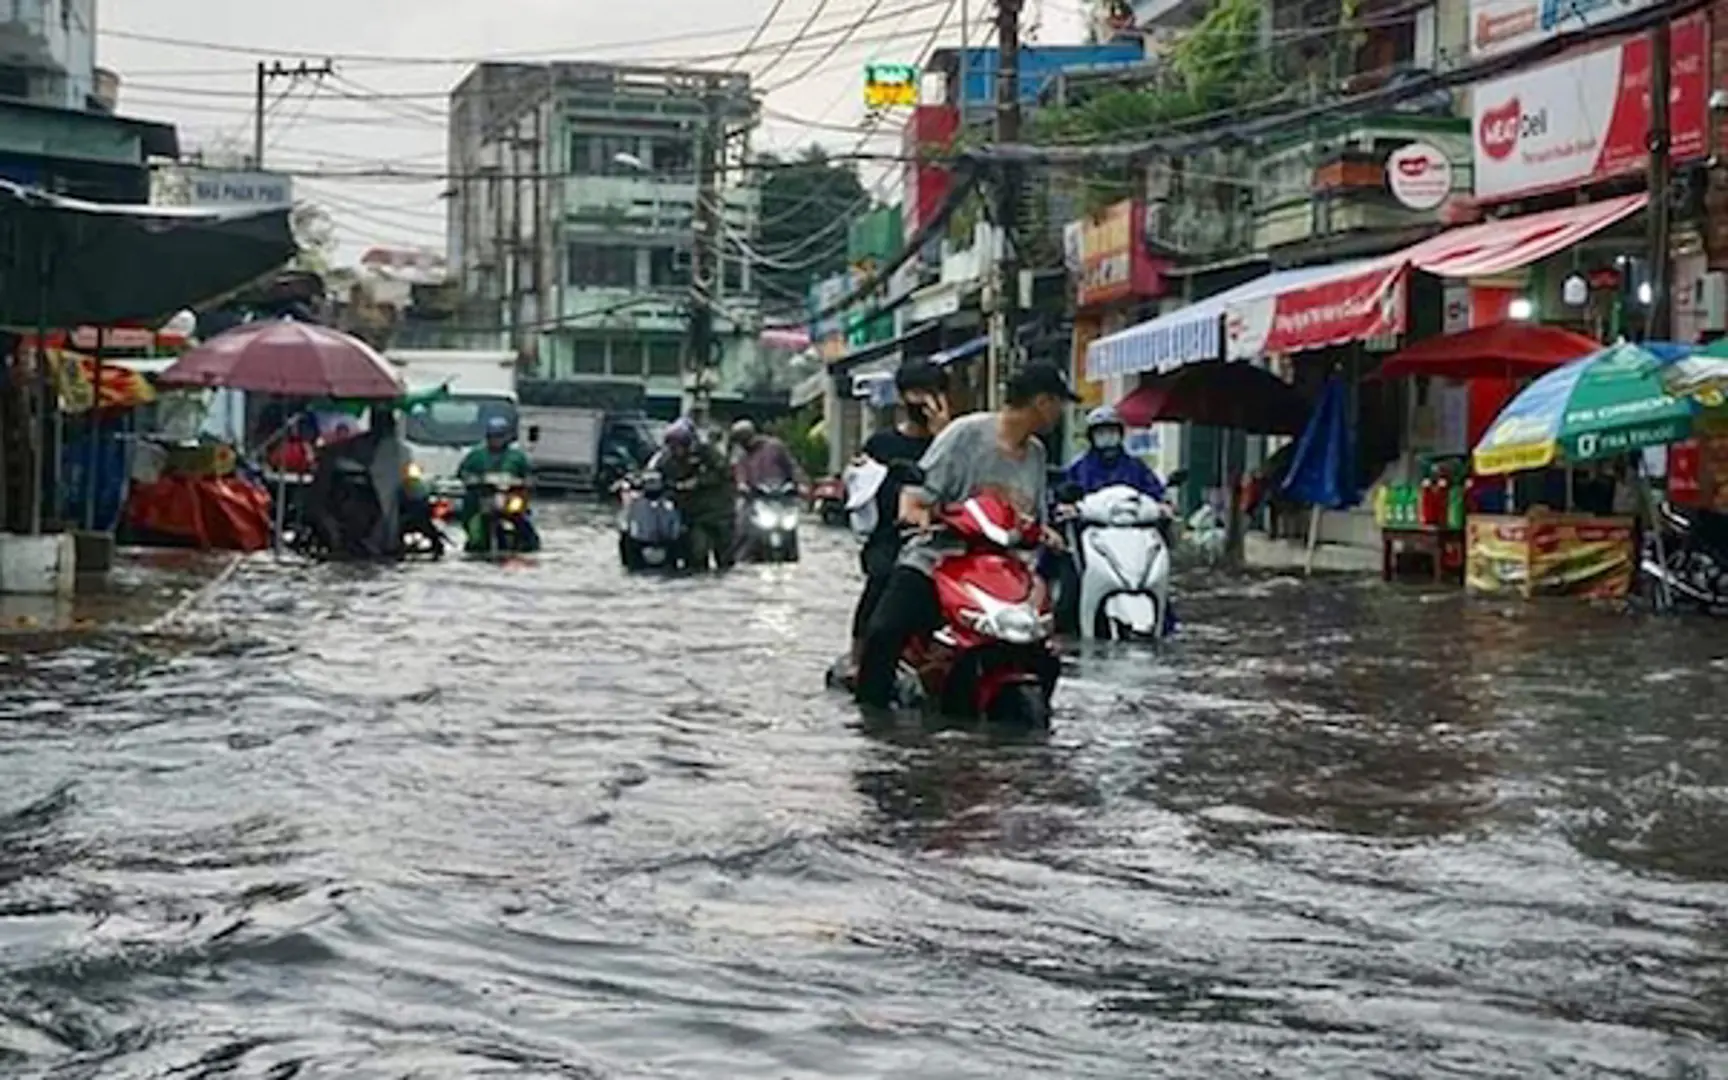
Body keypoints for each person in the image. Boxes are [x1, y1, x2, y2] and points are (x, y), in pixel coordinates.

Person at [854, 361, 1077, 709]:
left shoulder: (1036, 453)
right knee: (885, 630)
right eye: (1059, 404)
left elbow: (1033, 518)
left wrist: (1046, 533)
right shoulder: (964, 434)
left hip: (1002, 569)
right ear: (1042, 402)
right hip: (938, 557)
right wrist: (916, 515)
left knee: (1043, 646)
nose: (1060, 413)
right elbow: (916, 495)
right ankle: (870, 718)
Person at [845, 360, 953, 679]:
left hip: (946, 536)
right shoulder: (882, 444)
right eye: (915, 394)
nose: (923, 403)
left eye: (931, 394)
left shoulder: (956, 440)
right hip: (893, 538)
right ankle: (859, 657)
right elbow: (862, 492)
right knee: (881, 581)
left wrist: (943, 434)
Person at [650, 417, 736, 570]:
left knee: (726, 559)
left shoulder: (707, 452)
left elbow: (725, 473)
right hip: (694, 515)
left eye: (679, 444)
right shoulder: (666, 460)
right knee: (697, 554)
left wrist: (698, 482)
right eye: (672, 445)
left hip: (719, 512)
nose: (676, 449)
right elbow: (656, 476)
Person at [457, 415, 532, 550]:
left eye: (500, 436)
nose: (496, 440)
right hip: (482, 500)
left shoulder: (517, 456)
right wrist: (473, 480)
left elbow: (528, 475)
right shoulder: (476, 455)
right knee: (475, 532)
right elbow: (463, 473)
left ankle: (528, 543)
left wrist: (525, 482)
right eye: (493, 436)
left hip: (510, 499)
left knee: (525, 524)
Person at [1060, 405, 1166, 500]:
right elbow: (1066, 492)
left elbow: (1155, 490)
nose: (1107, 437)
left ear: (1120, 434)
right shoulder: (1078, 467)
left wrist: (1163, 503)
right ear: (1091, 437)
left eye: (1112, 431)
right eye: (1101, 433)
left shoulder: (1136, 466)